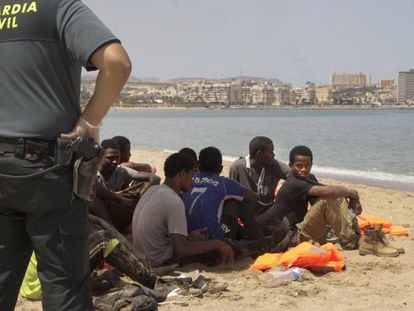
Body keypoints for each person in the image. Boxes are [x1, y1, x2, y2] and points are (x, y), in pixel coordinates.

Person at [0, 1, 131, 309]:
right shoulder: (59, 7)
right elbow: (117, 62)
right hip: (47, 171)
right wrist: (90, 121)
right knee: (64, 286)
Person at [132, 153, 288, 268]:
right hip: (162, 260)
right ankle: (269, 242)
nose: (193, 180)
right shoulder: (174, 201)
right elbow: (182, 249)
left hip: (147, 255)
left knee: (213, 242)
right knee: (226, 247)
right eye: (192, 174)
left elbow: (164, 233)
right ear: (182, 174)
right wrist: (217, 244)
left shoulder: (154, 191)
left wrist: (191, 236)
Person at [273, 145, 402, 257]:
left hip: (304, 229)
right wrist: (354, 194)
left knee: (337, 196)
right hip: (294, 236)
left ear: (312, 164)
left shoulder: (308, 178)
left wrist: (350, 201)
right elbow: (330, 193)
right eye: (299, 166)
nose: (304, 169)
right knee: (331, 196)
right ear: (291, 166)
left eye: (307, 165)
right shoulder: (293, 183)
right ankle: (353, 242)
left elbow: (328, 195)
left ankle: (358, 237)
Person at [183, 146, 263, 240]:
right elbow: (254, 197)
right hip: (209, 237)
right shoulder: (224, 183)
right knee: (236, 201)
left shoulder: (188, 179)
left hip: (185, 233)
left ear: (198, 166)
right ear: (221, 169)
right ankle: (259, 239)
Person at [225, 136, 290, 237]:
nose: (274, 154)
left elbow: (293, 176)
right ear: (259, 154)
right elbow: (232, 195)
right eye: (271, 152)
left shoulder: (274, 165)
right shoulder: (237, 167)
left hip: (269, 212)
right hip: (246, 215)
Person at [91, 139, 160, 231]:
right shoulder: (92, 172)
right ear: (100, 157)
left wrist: (142, 200)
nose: (115, 161)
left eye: (117, 157)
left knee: (143, 186)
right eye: (110, 158)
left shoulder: (121, 171)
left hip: (115, 211)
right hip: (95, 214)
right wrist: (119, 199)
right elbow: (97, 188)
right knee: (95, 200)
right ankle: (112, 230)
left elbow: (155, 178)